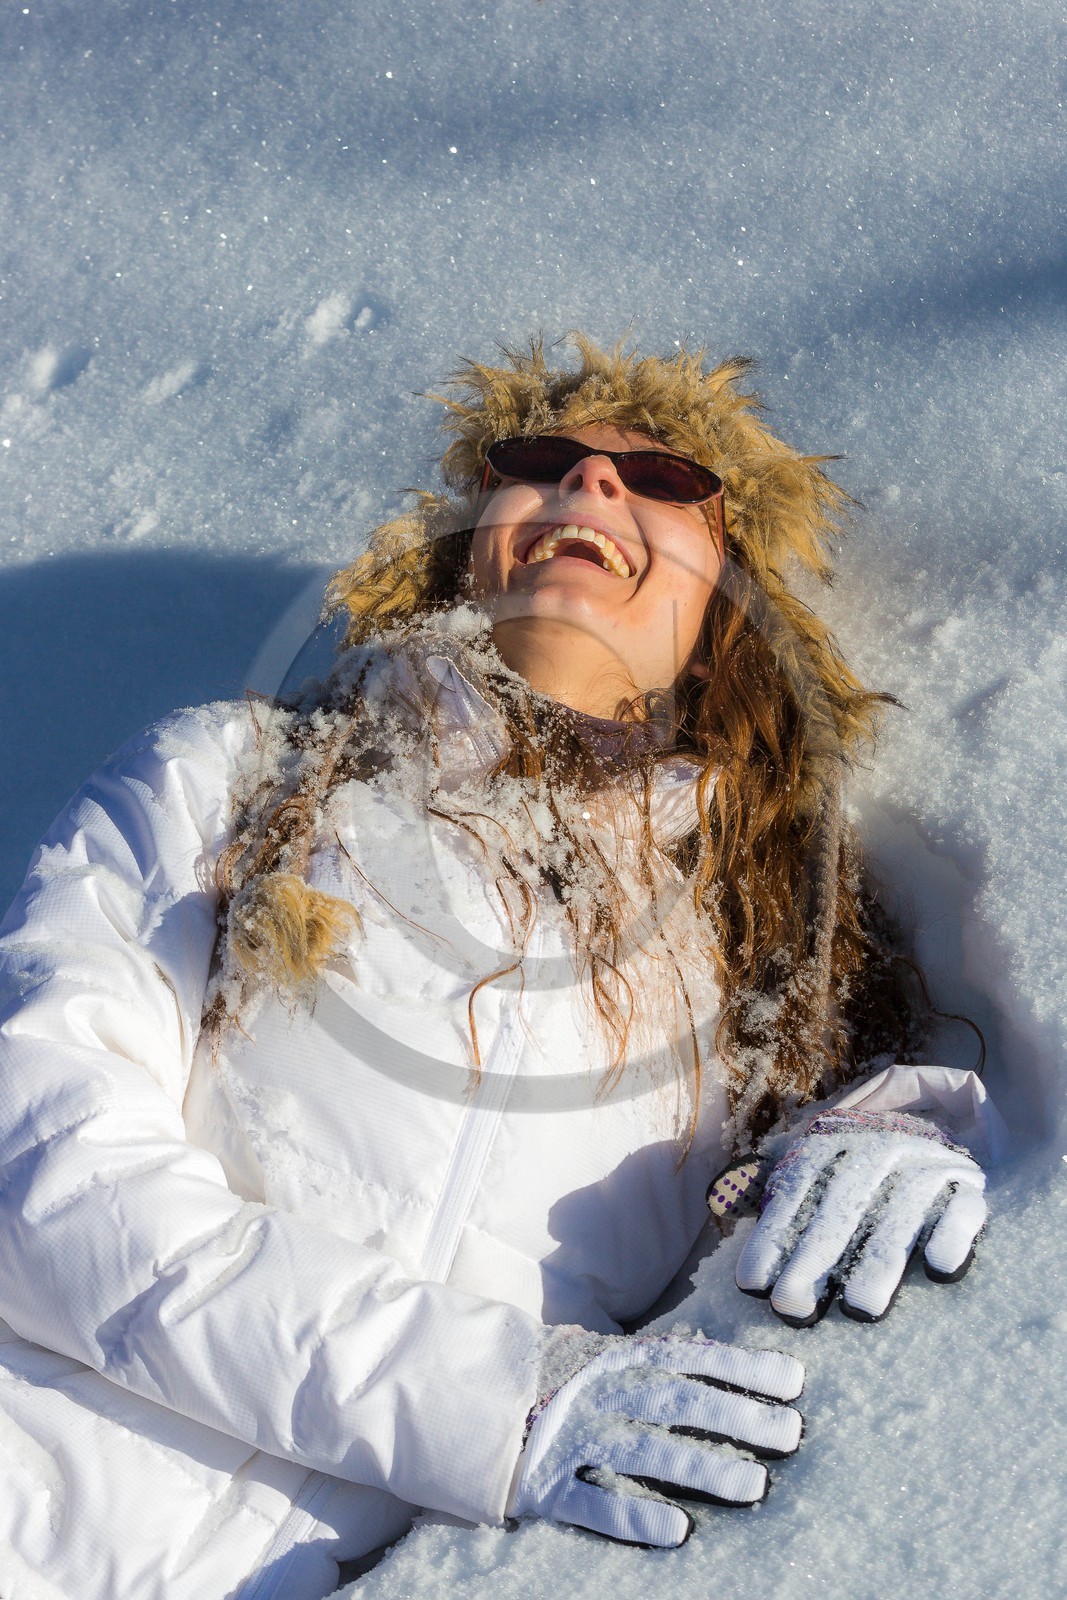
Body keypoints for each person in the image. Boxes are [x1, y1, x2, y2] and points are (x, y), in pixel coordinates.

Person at [0, 336, 1003, 1599]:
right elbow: (42, 1175)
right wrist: (481, 1401)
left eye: (659, 475)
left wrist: (892, 1137)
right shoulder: (236, 780)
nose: (588, 488)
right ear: (471, 541)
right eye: (538, 459)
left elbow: (845, 1156)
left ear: (726, 596)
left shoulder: (756, 947)